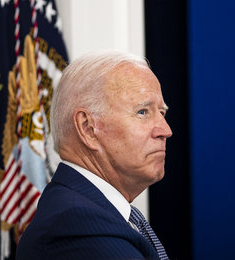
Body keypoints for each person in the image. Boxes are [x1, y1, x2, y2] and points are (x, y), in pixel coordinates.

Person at [16, 50, 173, 260]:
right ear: (88, 128)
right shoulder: (76, 224)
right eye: (143, 112)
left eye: (162, 113)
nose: (165, 130)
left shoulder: (98, 213)